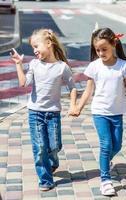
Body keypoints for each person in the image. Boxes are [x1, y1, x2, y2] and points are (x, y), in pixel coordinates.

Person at [69, 27, 126, 196]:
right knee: (106, 145)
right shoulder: (94, 67)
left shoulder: (124, 66)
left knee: (117, 145)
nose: (100, 53)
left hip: (117, 113)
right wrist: (78, 107)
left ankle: (105, 161)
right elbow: (88, 90)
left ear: (114, 44)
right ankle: (105, 180)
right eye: (97, 50)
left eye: (103, 49)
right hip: (99, 112)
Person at [10, 29, 77, 191]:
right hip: (35, 113)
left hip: (53, 113)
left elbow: (72, 87)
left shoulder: (62, 67)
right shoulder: (34, 64)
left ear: (49, 43)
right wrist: (18, 64)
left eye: (36, 46)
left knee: (54, 146)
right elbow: (23, 83)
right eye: (33, 47)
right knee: (40, 148)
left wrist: (74, 105)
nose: (34, 50)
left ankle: (53, 160)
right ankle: (46, 180)